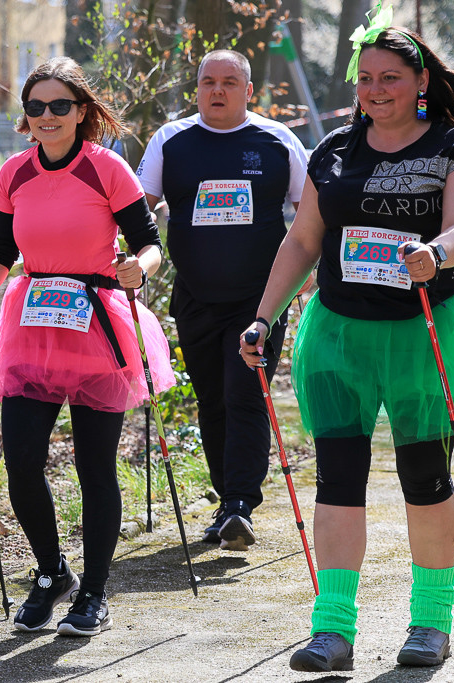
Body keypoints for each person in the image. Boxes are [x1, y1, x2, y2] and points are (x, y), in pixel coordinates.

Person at [240, 6, 454, 672]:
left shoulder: (452, 149)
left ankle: (431, 622)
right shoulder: (334, 151)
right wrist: (263, 316)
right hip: (339, 336)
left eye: (390, 78)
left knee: (424, 480)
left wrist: (437, 249)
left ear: (419, 80)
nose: (376, 90)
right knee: (338, 481)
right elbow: (302, 241)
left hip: (423, 335)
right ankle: (331, 628)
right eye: (366, 78)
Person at [0, 56, 172, 637]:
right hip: (35, 323)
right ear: (26, 116)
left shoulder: (106, 169)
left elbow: (149, 243)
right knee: (20, 460)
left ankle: (93, 593)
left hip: (97, 322)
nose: (47, 116)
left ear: (82, 111)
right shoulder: (14, 174)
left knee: (96, 467)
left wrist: (136, 270)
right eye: (36, 107)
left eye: (59, 106)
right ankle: (51, 573)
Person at [136, 49, 310, 551]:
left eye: (230, 82)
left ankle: (240, 502)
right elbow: (137, 209)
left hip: (260, 300)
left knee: (244, 392)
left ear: (248, 90)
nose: (217, 90)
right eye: (208, 81)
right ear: (196, 89)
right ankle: (226, 501)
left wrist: (311, 275)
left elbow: (309, 215)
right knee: (211, 399)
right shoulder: (172, 141)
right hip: (195, 297)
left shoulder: (278, 141)